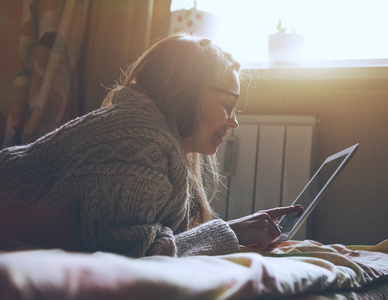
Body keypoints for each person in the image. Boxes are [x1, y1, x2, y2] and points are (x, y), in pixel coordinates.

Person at [0, 34, 303, 257]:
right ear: (189, 91)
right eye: (226, 104)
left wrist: (231, 230)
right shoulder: (140, 141)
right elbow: (129, 257)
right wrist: (228, 232)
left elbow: (154, 239)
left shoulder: (156, 139)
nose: (233, 122)